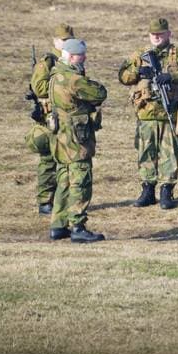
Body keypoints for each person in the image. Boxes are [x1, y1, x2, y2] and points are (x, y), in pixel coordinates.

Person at [117, 17, 178, 210]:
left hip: (170, 112)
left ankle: (166, 190)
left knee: (170, 153)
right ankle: (147, 189)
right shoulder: (139, 55)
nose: (157, 37)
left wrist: (172, 76)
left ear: (168, 34)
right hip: (146, 112)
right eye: (153, 34)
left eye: (160, 34)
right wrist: (139, 71)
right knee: (146, 151)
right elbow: (123, 76)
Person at [47, 38, 108, 243]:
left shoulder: (55, 75)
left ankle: (58, 224)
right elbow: (99, 92)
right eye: (82, 55)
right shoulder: (73, 79)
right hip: (76, 138)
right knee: (80, 180)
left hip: (61, 137)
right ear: (72, 57)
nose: (85, 58)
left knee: (63, 180)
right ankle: (78, 226)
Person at [26, 23, 73, 215]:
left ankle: (63, 199)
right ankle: (45, 200)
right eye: (63, 40)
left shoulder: (71, 60)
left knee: (66, 161)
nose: (66, 43)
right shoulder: (47, 62)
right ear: (55, 41)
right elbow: (39, 88)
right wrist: (61, 85)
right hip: (49, 119)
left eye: (69, 40)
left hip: (67, 118)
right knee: (48, 161)